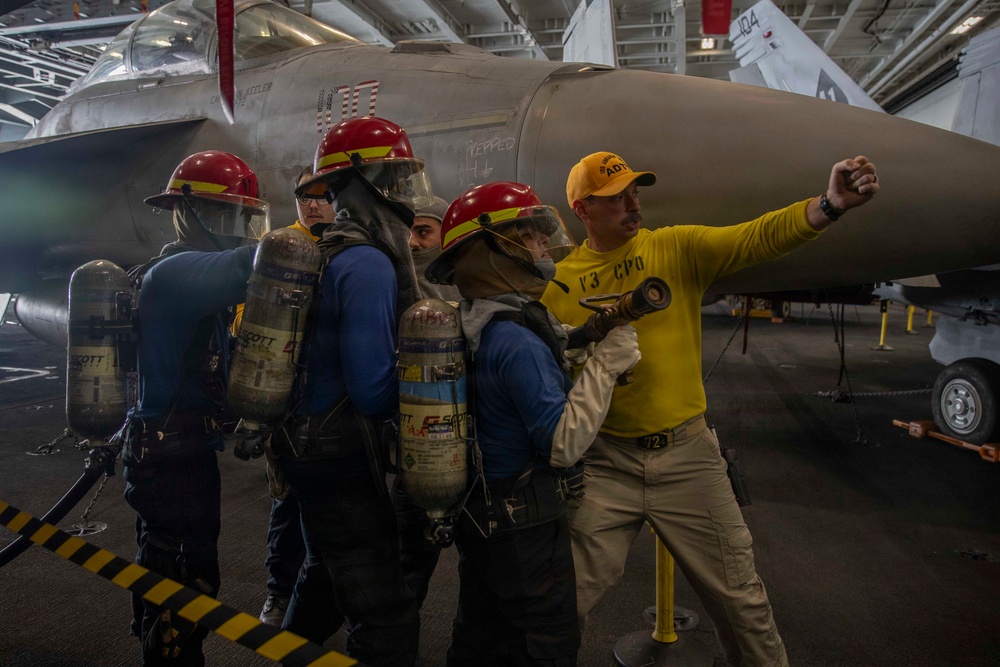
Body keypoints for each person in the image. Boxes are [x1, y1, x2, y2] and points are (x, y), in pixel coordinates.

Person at [540, 151, 880, 667]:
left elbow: (756, 236)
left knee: (743, 603)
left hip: (688, 457)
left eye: (636, 192)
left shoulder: (675, 248)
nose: (634, 204)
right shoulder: (558, 283)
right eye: (617, 198)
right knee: (563, 600)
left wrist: (829, 205)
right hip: (606, 463)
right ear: (582, 208)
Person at [424, 180, 641, 666]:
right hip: (523, 522)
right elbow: (563, 445)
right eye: (531, 237)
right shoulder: (517, 343)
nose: (544, 247)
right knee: (547, 643)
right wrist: (606, 366)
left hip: (482, 514)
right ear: (493, 251)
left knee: (481, 633)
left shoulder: (478, 321)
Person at [270, 116, 428, 666]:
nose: (404, 192)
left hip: (304, 444)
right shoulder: (366, 263)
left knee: (321, 571)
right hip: (337, 455)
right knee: (384, 611)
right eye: (396, 177)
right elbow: (371, 389)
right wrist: (437, 384)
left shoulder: (330, 247)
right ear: (368, 181)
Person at [122, 150, 269, 665]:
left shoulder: (180, 273)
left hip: (174, 451)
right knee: (185, 581)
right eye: (231, 215)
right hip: (172, 457)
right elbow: (255, 264)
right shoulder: (179, 273)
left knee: (167, 571)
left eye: (246, 217)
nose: (240, 228)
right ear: (191, 213)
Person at [255, 166, 337, 627]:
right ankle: (278, 593)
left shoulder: (347, 247)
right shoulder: (283, 246)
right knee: (287, 506)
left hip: (331, 403)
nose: (311, 203)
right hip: (290, 399)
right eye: (303, 195)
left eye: (322, 195)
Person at [409, 195, 462, 302]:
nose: (411, 242)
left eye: (423, 232)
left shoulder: (471, 279)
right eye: (407, 234)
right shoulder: (394, 282)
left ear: (446, 232)